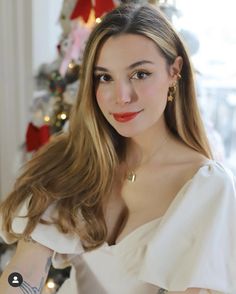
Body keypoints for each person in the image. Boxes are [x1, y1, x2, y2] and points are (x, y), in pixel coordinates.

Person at [0, 3, 235, 294]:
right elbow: (21, 276)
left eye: (140, 74)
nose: (120, 97)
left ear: (174, 71)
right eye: (105, 77)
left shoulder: (208, 188)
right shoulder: (71, 159)